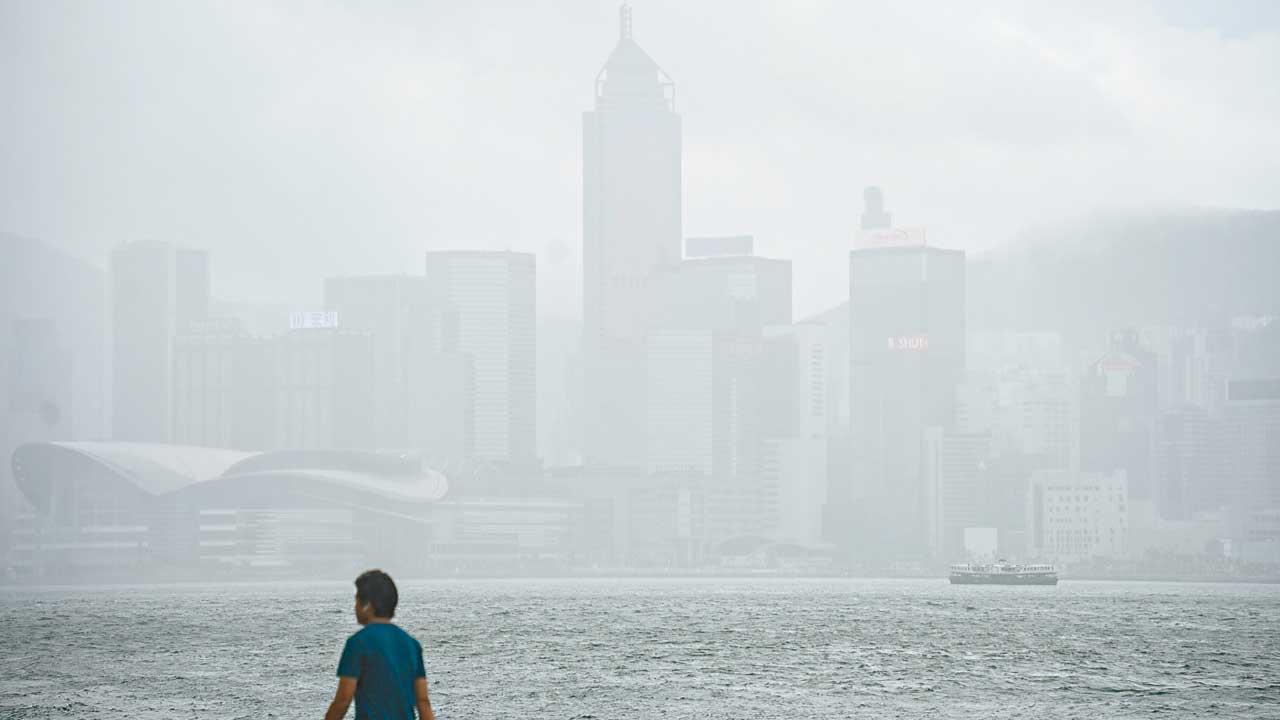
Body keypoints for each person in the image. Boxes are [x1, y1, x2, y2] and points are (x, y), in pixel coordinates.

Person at [324, 569, 436, 720]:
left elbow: (343, 700)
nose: (355, 607)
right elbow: (423, 702)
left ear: (367, 606)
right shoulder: (411, 644)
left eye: (357, 601)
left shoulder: (358, 643)